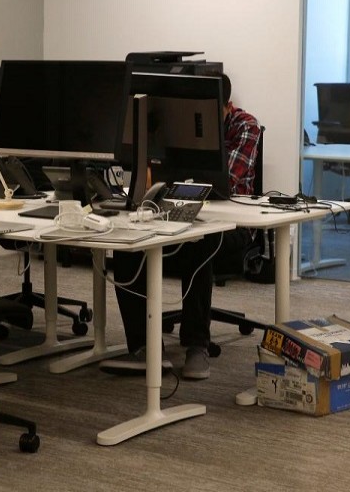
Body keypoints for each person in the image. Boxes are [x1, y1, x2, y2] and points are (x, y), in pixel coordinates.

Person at [100, 72, 261, 380]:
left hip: (234, 225)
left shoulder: (245, 126)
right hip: (176, 211)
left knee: (200, 242)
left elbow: (226, 179)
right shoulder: (177, 123)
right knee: (127, 247)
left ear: (226, 106)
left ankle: (197, 346)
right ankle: (143, 348)